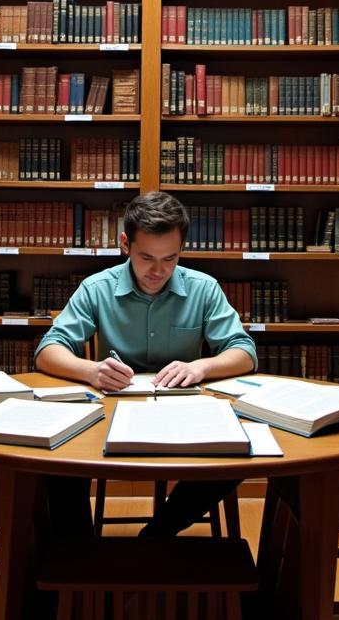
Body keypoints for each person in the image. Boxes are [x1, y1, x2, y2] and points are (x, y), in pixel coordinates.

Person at [35, 191, 257, 535]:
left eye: (170, 258)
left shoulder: (204, 288)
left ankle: (157, 535)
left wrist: (201, 367)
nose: (158, 271)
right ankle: (78, 560)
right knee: (56, 461)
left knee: (242, 453)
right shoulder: (97, 288)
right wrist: (91, 371)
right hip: (110, 414)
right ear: (125, 244)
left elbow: (244, 351)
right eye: (146, 257)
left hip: (186, 415)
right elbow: (49, 349)